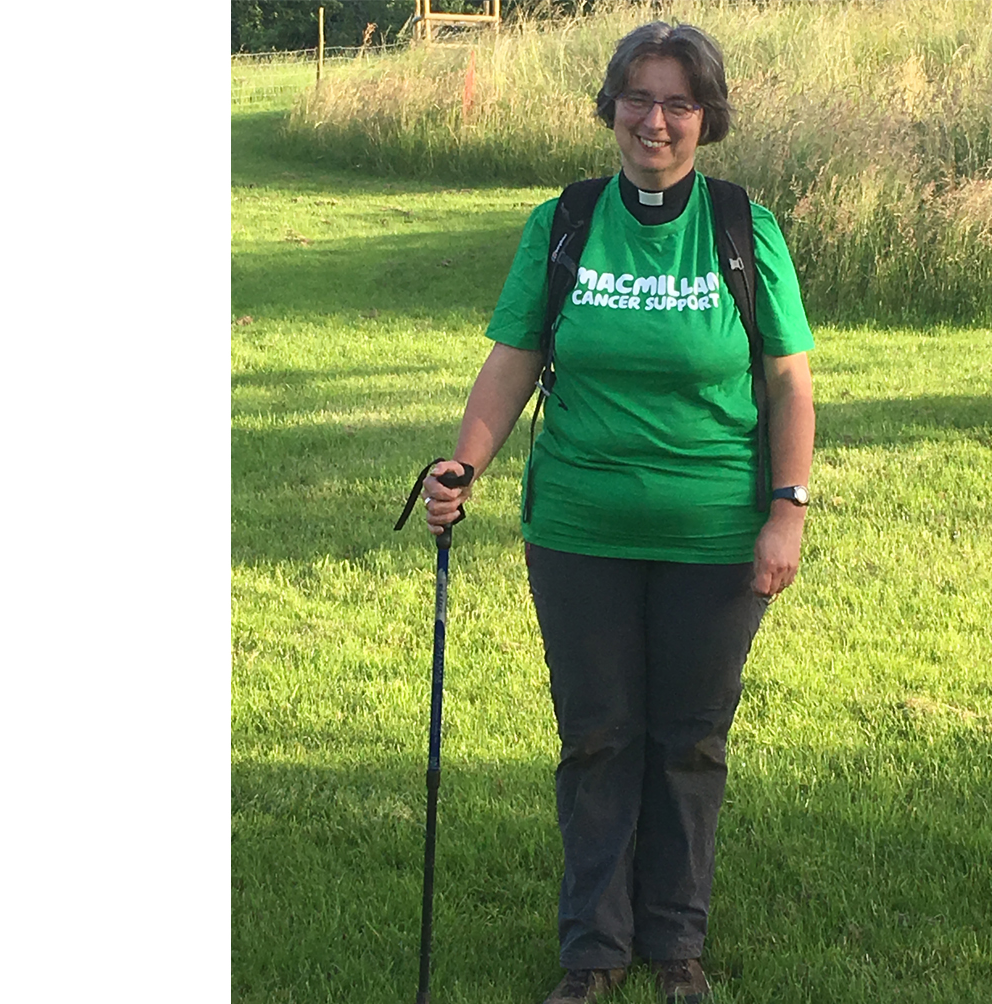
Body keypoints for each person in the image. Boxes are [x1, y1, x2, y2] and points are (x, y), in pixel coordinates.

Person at [419, 20, 815, 1004]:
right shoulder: (563, 221)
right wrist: (464, 460)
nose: (655, 118)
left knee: (688, 737)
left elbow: (788, 383)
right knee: (596, 733)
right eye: (637, 96)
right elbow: (513, 358)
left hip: (713, 531)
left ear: (705, 116)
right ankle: (591, 948)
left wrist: (786, 509)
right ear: (611, 107)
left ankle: (674, 943)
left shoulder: (739, 225)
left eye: (679, 100)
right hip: (579, 529)